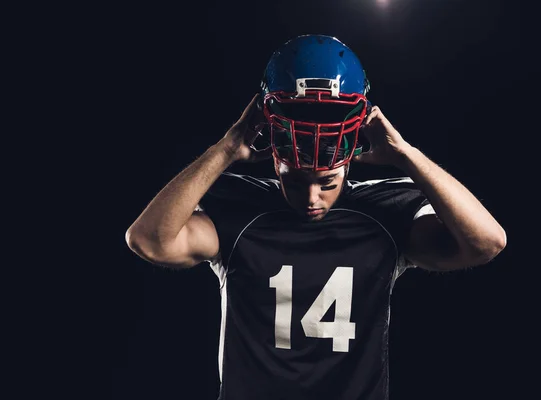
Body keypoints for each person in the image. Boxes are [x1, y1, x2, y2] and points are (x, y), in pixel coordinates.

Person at [125, 34, 506, 400]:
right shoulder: (241, 212)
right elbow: (148, 240)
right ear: (276, 162)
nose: (311, 198)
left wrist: (407, 154)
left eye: (326, 183)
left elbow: (487, 242)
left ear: (347, 166)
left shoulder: (382, 214)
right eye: (296, 182)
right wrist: (224, 149)